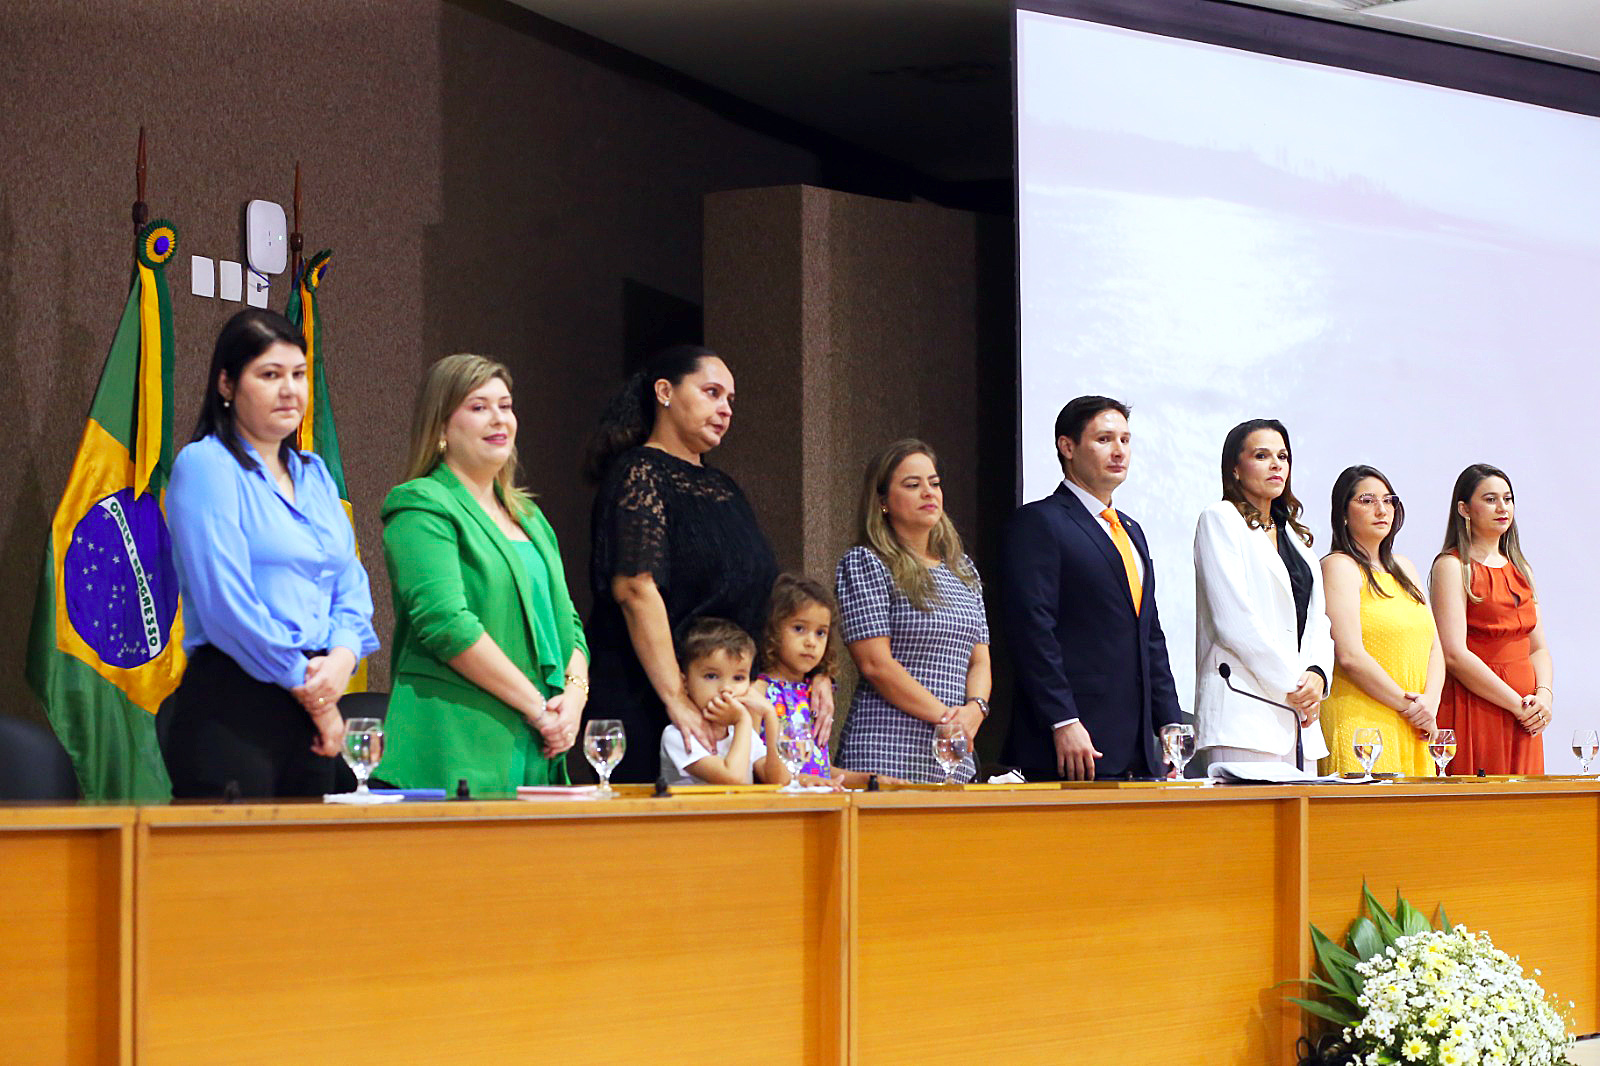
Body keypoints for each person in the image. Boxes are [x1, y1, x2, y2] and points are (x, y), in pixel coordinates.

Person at [584, 345, 831, 783]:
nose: (725, 409)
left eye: (730, 400)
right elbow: (637, 590)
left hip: (726, 704)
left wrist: (812, 674)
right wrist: (676, 698)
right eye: (712, 393)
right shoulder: (639, 472)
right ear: (665, 392)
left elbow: (764, 596)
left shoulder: (723, 486)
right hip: (653, 701)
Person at [163, 309, 378, 798]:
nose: (290, 391)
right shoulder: (205, 466)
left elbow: (351, 586)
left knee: (310, 872)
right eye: (270, 375)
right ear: (227, 384)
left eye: (299, 375)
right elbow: (227, 608)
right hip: (235, 707)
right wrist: (316, 695)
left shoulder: (315, 474)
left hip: (313, 708)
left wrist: (343, 658)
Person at [378, 354, 589, 794]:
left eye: (506, 405)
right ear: (440, 427)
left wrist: (573, 698)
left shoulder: (528, 515)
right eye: (478, 407)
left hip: (537, 740)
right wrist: (539, 710)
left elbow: (567, 623)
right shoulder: (420, 504)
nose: (499, 418)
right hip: (455, 743)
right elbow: (446, 625)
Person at [1000, 396, 1182, 780]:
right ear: (1068, 447)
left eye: (1125, 440)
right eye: (1104, 440)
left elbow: (1148, 633)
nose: (1119, 451)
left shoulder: (1131, 530)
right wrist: (1062, 720)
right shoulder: (1040, 522)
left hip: (1137, 748)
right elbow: (1033, 631)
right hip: (1072, 742)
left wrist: (1169, 724)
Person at [835, 440, 991, 784]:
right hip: (886, 748)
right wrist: (949, 719)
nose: (928, 493)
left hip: (952, 752)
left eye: (934, 483)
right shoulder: (866, 563)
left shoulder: (963, 570)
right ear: (882, 502)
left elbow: (979, 659)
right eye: (912, 485)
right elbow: (876, 664)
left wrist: (975, 711)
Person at [1193, 419, 1332, 770]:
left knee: (1302, 824)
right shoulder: (1220, 518)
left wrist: (1317, 675)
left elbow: (1318, 622)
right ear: (1235, 470)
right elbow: (1233, 621)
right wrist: (1295, 688)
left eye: (1283, 456)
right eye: (1262, 455)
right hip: (1245, 710)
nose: (1276, 464)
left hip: (1300, 717)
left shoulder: (1295, 539)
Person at [1318, 466, 1442, 776]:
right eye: (1367, 500)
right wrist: (1411, 706)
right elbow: (1349, 655)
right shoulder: (1339, 566)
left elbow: (1434, 646)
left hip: (1414, 724)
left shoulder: (1406, 567)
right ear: (1343, 514)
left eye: (1388, 501)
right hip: (1363, 726)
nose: (1381, 509)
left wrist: (1430, 703)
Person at [1430, 464, 1549, 775]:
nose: (1502, 508)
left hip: (1525, 713)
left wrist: (1544, 697)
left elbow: (1538, 649)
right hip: (1478, 705)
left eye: (1507, 499)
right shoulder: (1452, 566)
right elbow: (1454, 654)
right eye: (1490, 499)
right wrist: (1516, 704)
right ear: (1464, 509)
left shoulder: (1521, 569)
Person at [757, 574, 892, 789]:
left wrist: (871, 779)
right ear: (773, 629)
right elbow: (756, 767)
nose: (811, 642)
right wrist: (805, 781)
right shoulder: (758, 692)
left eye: (821, 633)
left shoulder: (816, 694)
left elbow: (820, 769)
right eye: (799, 628)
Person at [658, 618, 787, 787]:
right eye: (711, 676)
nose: (726, 689)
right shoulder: (679, 735)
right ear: (685, 683)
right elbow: (733, 779)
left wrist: (770, 716)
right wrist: (742, 720)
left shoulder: (741, 733)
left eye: (738, 678)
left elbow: (779, 780)